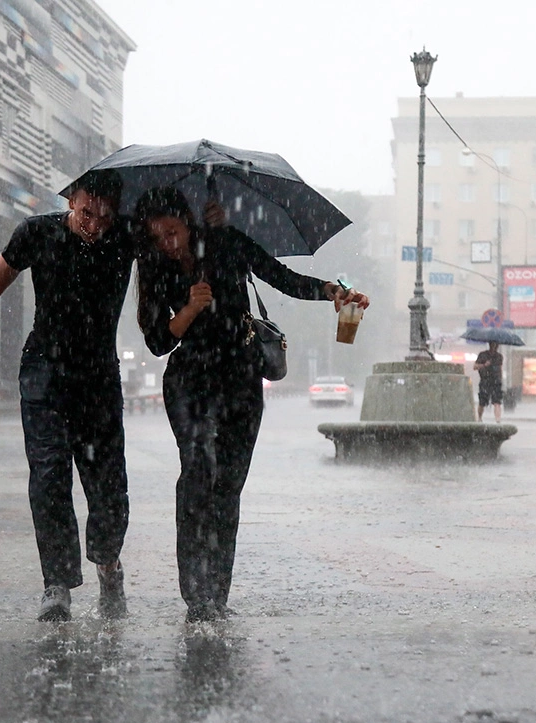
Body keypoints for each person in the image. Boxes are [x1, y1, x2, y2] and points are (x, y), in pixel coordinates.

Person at [134, 186, 369, 623]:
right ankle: (195, 595)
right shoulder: (150, 265)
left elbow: (285, 278)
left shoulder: (228, 242)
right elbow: (156, 341)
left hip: (240, 380)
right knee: (198, 471)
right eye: (157, 236)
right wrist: (187, 308)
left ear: (187, 221)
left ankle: (216, 594)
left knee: (228, 488)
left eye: (172, 231)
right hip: (189, 382)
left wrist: (341, 290)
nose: (167, 242)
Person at [0, 172, 136, 623]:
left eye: (104, 216)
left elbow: (175, 238)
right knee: (49, 475)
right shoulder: (37, 233)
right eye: (86, 213)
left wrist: (210, 219)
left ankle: (109, 566)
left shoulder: (127, 239)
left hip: (98, 378)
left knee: (108, 484)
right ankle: (56, 584)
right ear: (70, 201)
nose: (95, 225)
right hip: (44, 373)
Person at [473, 341, 503, 422]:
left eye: (496, 345)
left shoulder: (499, 356)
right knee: (482, 402)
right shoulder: (482, 355)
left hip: (496, 381)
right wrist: (484, 365)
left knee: (497, 402)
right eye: (493, 345)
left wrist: (500, 378)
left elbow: (500, 369)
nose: (495, 347)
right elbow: (475, 367)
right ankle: (479, 418)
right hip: (485, 380)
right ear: (490, 345)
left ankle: (498, 420)